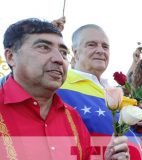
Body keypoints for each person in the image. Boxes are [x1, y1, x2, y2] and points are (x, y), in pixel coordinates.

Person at [0, 18, 128, 160]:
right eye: (44, 47)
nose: (59, 59)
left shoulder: (72, 117)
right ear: (11, 57)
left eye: (63, 52)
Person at [57, 24, 142, 159]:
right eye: (92, 44)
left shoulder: (112, 90)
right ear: (75, 52)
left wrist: (140, 122)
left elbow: (131, 135)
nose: (100, 50)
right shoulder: (59, 85)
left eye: (105, 46)